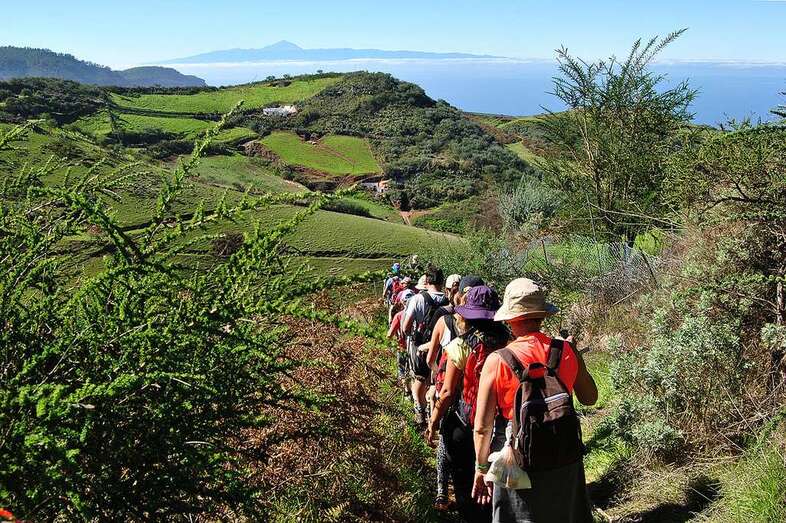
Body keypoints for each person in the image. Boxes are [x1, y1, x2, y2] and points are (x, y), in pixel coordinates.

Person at [472, 278, 598, 523]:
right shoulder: (565, 350)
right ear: (542, 315)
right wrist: (576, 359)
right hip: (565, 457)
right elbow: (590, 398)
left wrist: (481, 468)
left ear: (509, 318)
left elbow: (482, 427)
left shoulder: (498, 360)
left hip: (519, 462)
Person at [425, 285, 511, 522]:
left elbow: (448, 392)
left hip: (468, 425)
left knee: (465, 487)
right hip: (506, 426)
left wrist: (433, 421)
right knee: (502, 488)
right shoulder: (511, 342)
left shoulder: (461, 346)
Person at [403, 266, 448, 428]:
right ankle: (435, 413)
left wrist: (413, 337)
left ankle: (420, 411)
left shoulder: (417, 299)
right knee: (436, 379)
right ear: (442, 282)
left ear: (427, 280)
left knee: (420, 379)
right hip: (442, 347)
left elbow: (406, 327)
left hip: (421, 346)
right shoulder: (449, 301)